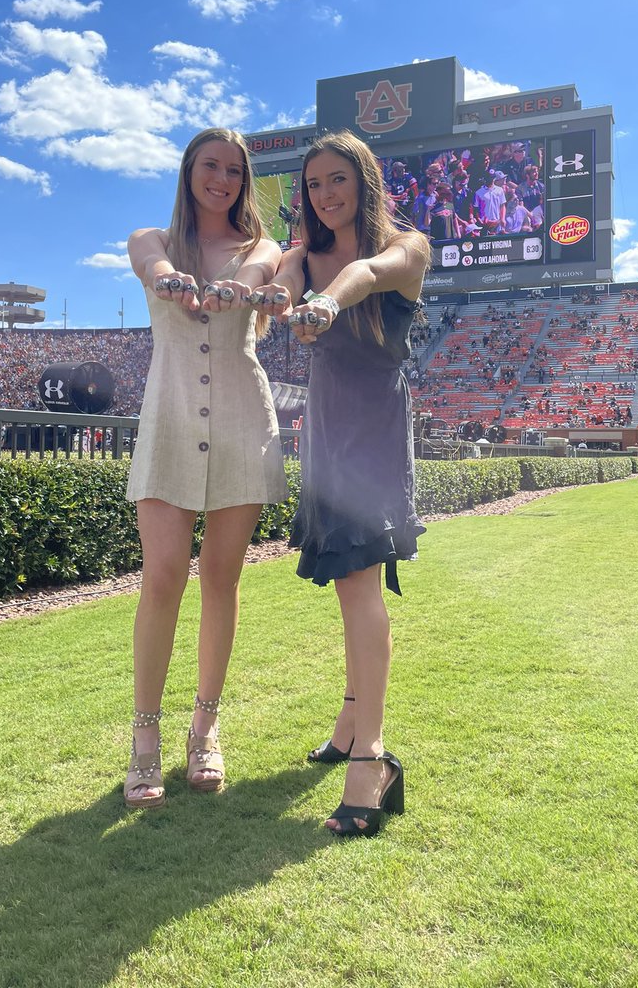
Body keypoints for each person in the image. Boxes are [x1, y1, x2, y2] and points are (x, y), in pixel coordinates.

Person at [253, 130, 430, 839]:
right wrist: (277, 302)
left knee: (359, 586)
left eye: (338, 179)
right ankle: (352, 724)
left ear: (364, 181)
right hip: (325, 432)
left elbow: (364, 273)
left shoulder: (408, 248)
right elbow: (285, 282)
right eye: (314, 183)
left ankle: (372, 759)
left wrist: (326, 304)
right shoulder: (303, 255)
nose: (325, 194)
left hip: (375, 432)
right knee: (350, 586)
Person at [123, 127, 288, 809]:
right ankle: (144, 736)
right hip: (169, 419)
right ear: (189, 172)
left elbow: (257, 274)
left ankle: (206, 726)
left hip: (243, 420)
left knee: (221, 578)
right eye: (210, 166)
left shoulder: (262, 247)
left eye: (234, 170)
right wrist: (172, 280)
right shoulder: (152, 239)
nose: (221, 179)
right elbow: (153, 267)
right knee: (162, 576)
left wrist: (233, 289)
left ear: (245, 182)